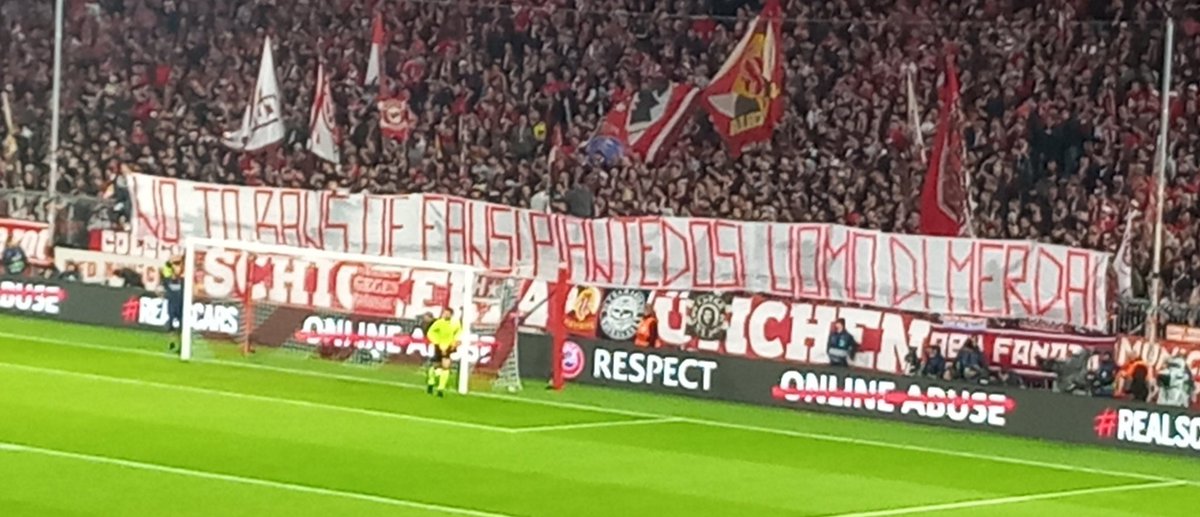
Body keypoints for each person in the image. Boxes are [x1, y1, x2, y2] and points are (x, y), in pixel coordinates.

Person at [425, 308, 463, 398]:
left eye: (447, 313)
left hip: (449, 346)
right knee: (436, 366)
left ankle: (440, 389)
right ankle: (431, 382)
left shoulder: (455, 323)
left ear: (451, 315)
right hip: (439, 346)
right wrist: (437, 342)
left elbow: (459, 332)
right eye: (444, 313)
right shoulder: (439, 322)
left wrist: (456, 342)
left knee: (446, 366)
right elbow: (430, 333)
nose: (445, 315)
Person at [161, 255, 185, 350]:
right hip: (171, 305)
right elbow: (166, 265)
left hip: (181, 305)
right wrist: (173, 260)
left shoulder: (183, 280)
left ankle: (181, 344)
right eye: (175, 267)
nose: (176, 269)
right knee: (170, 325)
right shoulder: (168, 279)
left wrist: (181, 261)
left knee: (181, 326)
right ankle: (172, 342)